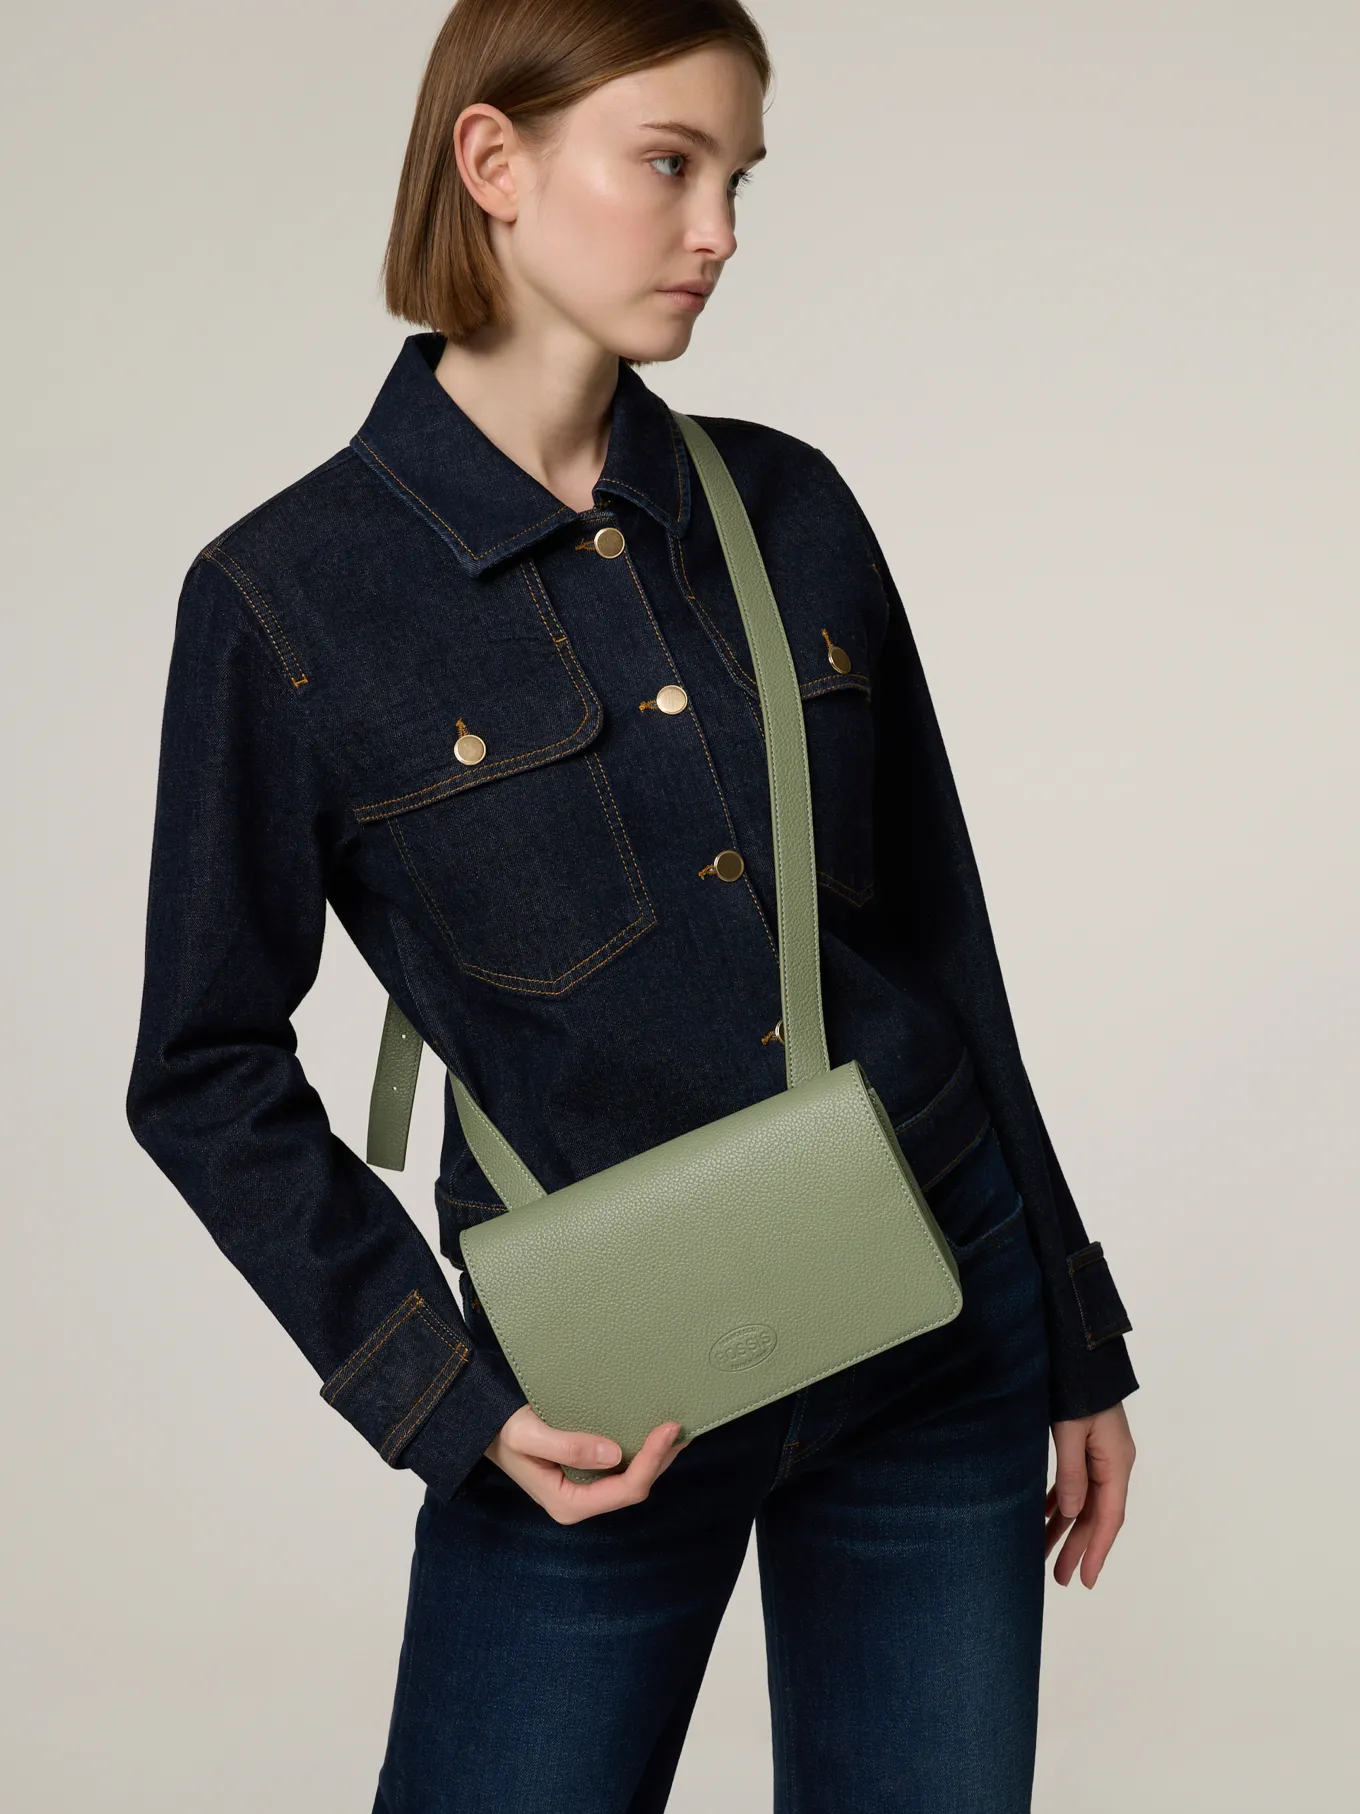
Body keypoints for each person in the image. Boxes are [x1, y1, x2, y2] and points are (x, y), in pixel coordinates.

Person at [126, 1, 1138, 1807]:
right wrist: (446, 1398)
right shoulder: (289, 599)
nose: (719, 229)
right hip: (597, 1398)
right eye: (669, 164)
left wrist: (1071, 1328)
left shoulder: (793, 506)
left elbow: (941, 942)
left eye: (738, 177)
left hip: (938, 1330)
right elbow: (202, 1067)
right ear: (494, 162)